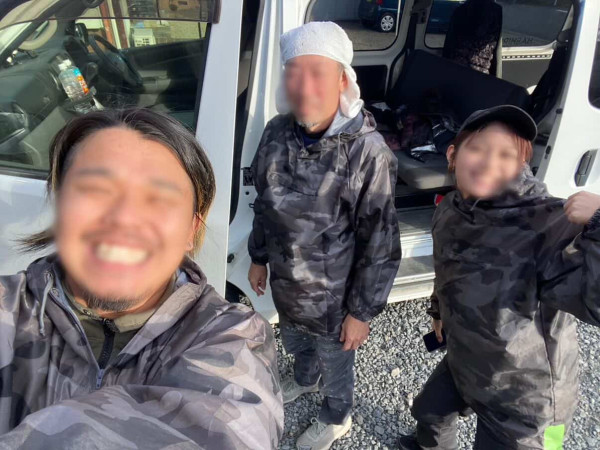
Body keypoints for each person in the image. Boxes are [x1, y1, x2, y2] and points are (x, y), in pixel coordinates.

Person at [0, 109, 283, 449]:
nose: (123, 219)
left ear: (191, 231)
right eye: (94, 190)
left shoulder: (233, 338)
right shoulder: (8, 311)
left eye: (160, 199)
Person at [399, 105, 600, 450]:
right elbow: (446, 268)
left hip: (527, 401)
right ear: (452, 154)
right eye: (478, 148)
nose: (490, 162)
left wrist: (599, 224)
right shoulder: (450, 208)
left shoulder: (548, 225)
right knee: (429, 413)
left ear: (522, 165)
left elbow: (595, 305)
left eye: (506, 154)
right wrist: (438, 312)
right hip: (467, 360)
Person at [247, 21, 401, 450]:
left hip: (335, 301)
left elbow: (381, 244)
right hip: (287, 284)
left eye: (317, 72)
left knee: (337, 363)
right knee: (296, 342)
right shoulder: (277, 131)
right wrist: (258, 257)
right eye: (293, 72)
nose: (303, 86)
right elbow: (264, 201)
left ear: (342, 80)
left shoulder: (367, 152)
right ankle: (304, 378)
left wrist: (361, 313)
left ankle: (337, 416)